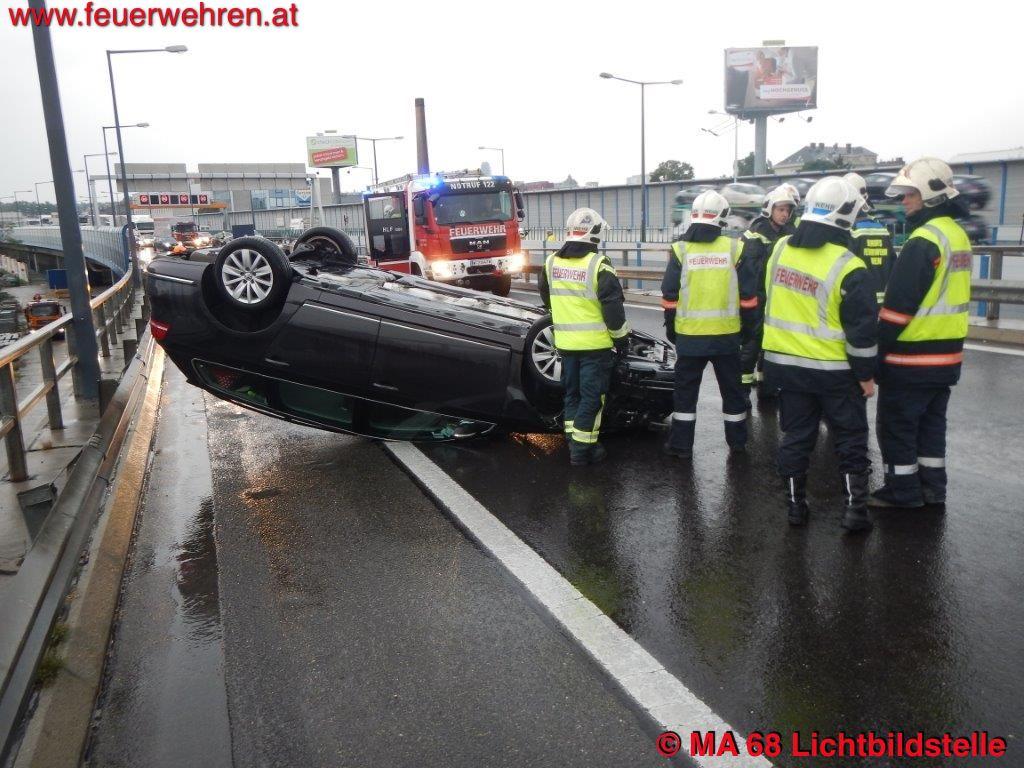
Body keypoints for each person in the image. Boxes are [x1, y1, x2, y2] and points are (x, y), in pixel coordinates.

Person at [760, 177, 879, 532]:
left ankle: (796, 508)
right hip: (835, 373)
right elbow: (862, 333)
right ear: (845, 218)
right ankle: (856, 512)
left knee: (796, 438)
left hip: (786, 368)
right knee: (850, 439)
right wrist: (866, 376)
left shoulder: (780, 248)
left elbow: (770, 296)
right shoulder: (849, 265)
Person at [869, 158, 971, 509]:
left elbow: (897, 310)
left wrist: (875, 356)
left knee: (897, 426)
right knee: (931, 427)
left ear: (928, 195)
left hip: (910, 358)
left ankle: (902, 491)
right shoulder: (957, 236)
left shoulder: (922, 241)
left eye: (909, 194)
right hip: (946, 357)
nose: (903, 202)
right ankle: (932, 489)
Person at [661, 190, 752, 458]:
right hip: (727, 337)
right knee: (733, 394)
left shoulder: (680, 249)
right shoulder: (735, 248)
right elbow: (748, 297)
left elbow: (669, 294)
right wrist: (747, 330)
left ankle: (681, 447)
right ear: (723, 218)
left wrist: (672, 327)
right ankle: (737, 444)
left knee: (685, 396)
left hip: (690, 337)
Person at [539, 207, 630, 466]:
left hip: (565, 345)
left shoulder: (551, 263)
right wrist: (621, 340)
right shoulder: (599, 266)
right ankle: (581, 450)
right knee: (593, 398)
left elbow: (547, 299)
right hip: (595, 347)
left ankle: (572, 439)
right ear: (595, 234)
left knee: (573, 395)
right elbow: (613, 310)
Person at [737, 184, 800, 400]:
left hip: (780, 299)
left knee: (772, 343)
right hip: (758, 298)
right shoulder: (756, 234)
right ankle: (742, 391)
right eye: (781, 209)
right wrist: (751, 302)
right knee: (752, 344)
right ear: (770, 209)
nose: (785, 214)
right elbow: (751, 273)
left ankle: (766, 384)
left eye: (787, 210)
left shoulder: (791, 233)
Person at [844, 172, 896, 307]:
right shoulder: (881, 229)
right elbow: (893, 267)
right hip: (882, 304)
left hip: (858, 303)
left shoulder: (849, 230)